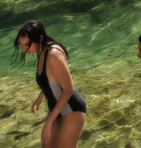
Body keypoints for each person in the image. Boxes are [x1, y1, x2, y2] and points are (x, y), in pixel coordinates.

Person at [14, 19, 87, 148]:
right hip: (56, 108)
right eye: (22, 45)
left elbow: (68, 90)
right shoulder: (42, 52)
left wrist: (48, 122)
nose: (24, 50)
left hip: (71, 110)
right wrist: (40, 97)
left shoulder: (53, 55)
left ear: (39, 38)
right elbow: (51, 80)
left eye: (27, 45)